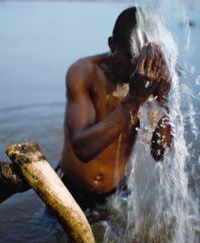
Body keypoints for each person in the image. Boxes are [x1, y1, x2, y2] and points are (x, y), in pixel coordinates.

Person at [57, 7, 173, 209]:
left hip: (117, 191)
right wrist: (135, 100)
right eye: (133, 59)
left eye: (144, 61)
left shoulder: (149, 76)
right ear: (112, 45)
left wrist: (163, 100)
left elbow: (159, 154)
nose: (138, 70)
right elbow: (82, 148)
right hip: (71, 190)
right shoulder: (85, 73)